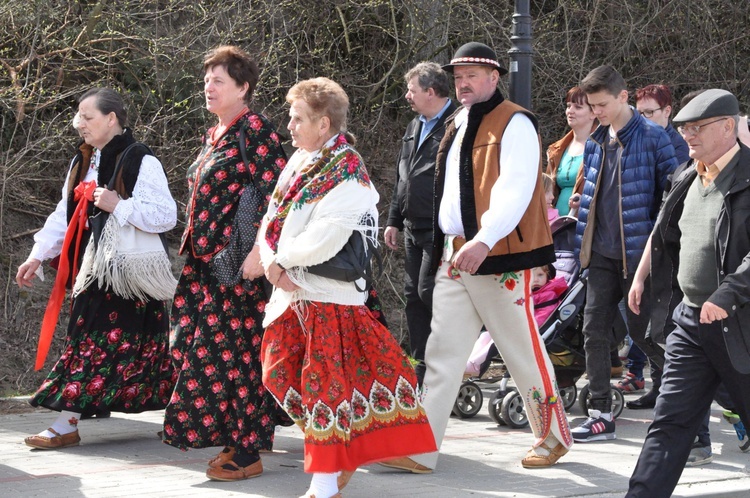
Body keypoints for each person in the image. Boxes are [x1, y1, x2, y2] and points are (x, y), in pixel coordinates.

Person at [382, 41, 573, 473]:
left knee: (520, 349)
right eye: (458, 76)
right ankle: (421, 446)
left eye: (472, 75)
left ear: (494, 77)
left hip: (498, 254)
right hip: (455, 252)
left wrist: (484, 238)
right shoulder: (459, 119)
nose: (463, 83)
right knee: (442, 353)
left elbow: (517, 187)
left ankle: (555, 435)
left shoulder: (517, 122)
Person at [259, 77, 436, 498]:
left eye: (297, 118)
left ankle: (325, 483)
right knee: (277, 373)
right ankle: (343, 449)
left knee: (324, 392)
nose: (289, 125)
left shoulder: (348, 169)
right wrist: (272, 263)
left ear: (324, 124)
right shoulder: (299, 160)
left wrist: (283, 261)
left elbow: (331, 234)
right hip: (291, 293)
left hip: (329, 298)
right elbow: (271, 220)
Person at [18, 87, 178, 449]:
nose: (80, 124)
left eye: (87, 117)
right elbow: (63, 214)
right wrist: (37, 255)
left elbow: (166, 215)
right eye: (79, 116)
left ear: (111, 118)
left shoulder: (141, 158)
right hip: (91, 271)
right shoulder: (83, 160)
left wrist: (116, 204)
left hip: (128, 275)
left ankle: (66, 423)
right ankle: (174, 417)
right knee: (103, 343)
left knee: (128, 347)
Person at [162, 46, 288, 482]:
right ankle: (234, 438)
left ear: (243, 87)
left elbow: (278, 195)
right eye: (206, 80)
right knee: (196, 351)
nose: (208, 87)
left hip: (238, 267)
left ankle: (249, 449)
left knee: (239, 356)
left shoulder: (254, 128)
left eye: (218, 81)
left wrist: (258, 252)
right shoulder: (216, 132)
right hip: (203, 264)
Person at [626, 89, 750, 497]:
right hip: (691, 321)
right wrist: (642, 275)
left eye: (697, 128)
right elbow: (664, 235)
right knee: (670, 422)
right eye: (684, 129)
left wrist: (728, 293)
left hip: (741, 326)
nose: (688, 136)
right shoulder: (685, 175)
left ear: (728, 127)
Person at [572, 65, 678, 442]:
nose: (596, 112)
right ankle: (600, 413)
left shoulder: (653, 137)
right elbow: (593, 195)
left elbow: (674, 194)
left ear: (622, 96)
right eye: (592, 105)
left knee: (649, 337)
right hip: (599, 255)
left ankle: (693, 406)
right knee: (593, 331)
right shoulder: (596, 141)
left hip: (640, 259)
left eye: (602, 104)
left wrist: (656, 253)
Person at [618, 84, 692, 404]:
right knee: (640, 323)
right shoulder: (637, 140)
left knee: (658, 324)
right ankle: (661, 384)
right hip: (642, 241)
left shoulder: (679, 147)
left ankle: (672, 388)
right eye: (641, 112)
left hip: (667, 245)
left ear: (667, 112)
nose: (645, 118)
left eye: (651, 112)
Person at [384, 62, 455, 385]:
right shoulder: (415, 125)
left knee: (432, 293)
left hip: (441, 227)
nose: (407, 96)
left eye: (412, 90)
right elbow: (405, 175)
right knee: (414, 295)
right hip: (413, 226)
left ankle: (450, 363)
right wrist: (393, 219)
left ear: (430, 91)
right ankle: (421, 368)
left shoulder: (456, 124)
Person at [465, 263, 568, 377]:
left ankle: (475, 364)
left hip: (531, 328)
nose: (536, 279)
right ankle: (470, 361)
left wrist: (519, 325)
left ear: (547, 276)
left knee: (498, 339)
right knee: (486, 335)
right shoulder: (525, 291)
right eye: (532, 275)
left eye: (540, 275)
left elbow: (543, 317)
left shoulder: (548, 294)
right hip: (516, 325)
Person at [546, 86, 598, 217]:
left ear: (593, 113)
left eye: (578, 107)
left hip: (585, 225)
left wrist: (586, 201)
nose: (570, 111)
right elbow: (545, 189)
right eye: (569, 106)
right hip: (557, 227)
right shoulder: (556, 150)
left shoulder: (602, 147)